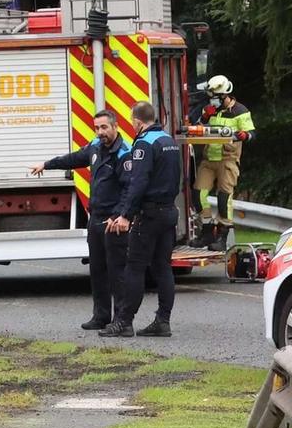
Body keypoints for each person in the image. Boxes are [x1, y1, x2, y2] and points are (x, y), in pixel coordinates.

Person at [30, 108, 131, 331]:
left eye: (104, 127)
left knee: (117, 273)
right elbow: (74, 158)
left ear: (115, 126)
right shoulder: (95, 146)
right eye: (97, 128)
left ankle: (121, 320)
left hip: (113, 221)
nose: (100, 132)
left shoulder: (125, 153)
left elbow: (129, 189)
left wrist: (120, 215)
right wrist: (47, 165)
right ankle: (101, 316)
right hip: (95, 218)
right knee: (97, 270)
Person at [105, 101, 182, 339]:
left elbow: (138, 183)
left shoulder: (143, 144)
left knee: (135, 268)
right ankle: (163, 321)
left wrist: (126, 215)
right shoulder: (169, 141)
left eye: (131, 121)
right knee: (163, 267)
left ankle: (124, 322)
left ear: (138, 121)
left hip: (149, 214)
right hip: (169, 211)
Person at [192, 75, 254, 250]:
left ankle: (222, 235)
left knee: (224, 197)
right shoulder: (211, 110)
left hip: (228, 160)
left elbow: (251, 134)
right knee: (198, 194)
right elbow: (198, 128)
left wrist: (243, 135)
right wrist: (204, 116)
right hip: (209, 159)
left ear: (225, 96)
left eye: (216, 98)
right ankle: (206, 231)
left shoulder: (240, 111)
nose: (212, 101)